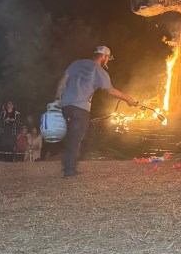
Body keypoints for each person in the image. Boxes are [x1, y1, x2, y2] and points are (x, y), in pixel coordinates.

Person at [55, 45, 137, 177]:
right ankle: (69, 170)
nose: (108, 61)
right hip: (80, 108)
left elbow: (62, 82)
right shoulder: (100, 71)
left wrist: (57, 98)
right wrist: (128, 98)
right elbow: (110, 90)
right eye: (108, 58)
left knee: (71, 135)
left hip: (66, 105)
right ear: (104, 56)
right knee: (75, 138)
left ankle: (68, 165)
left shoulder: (77, 63)